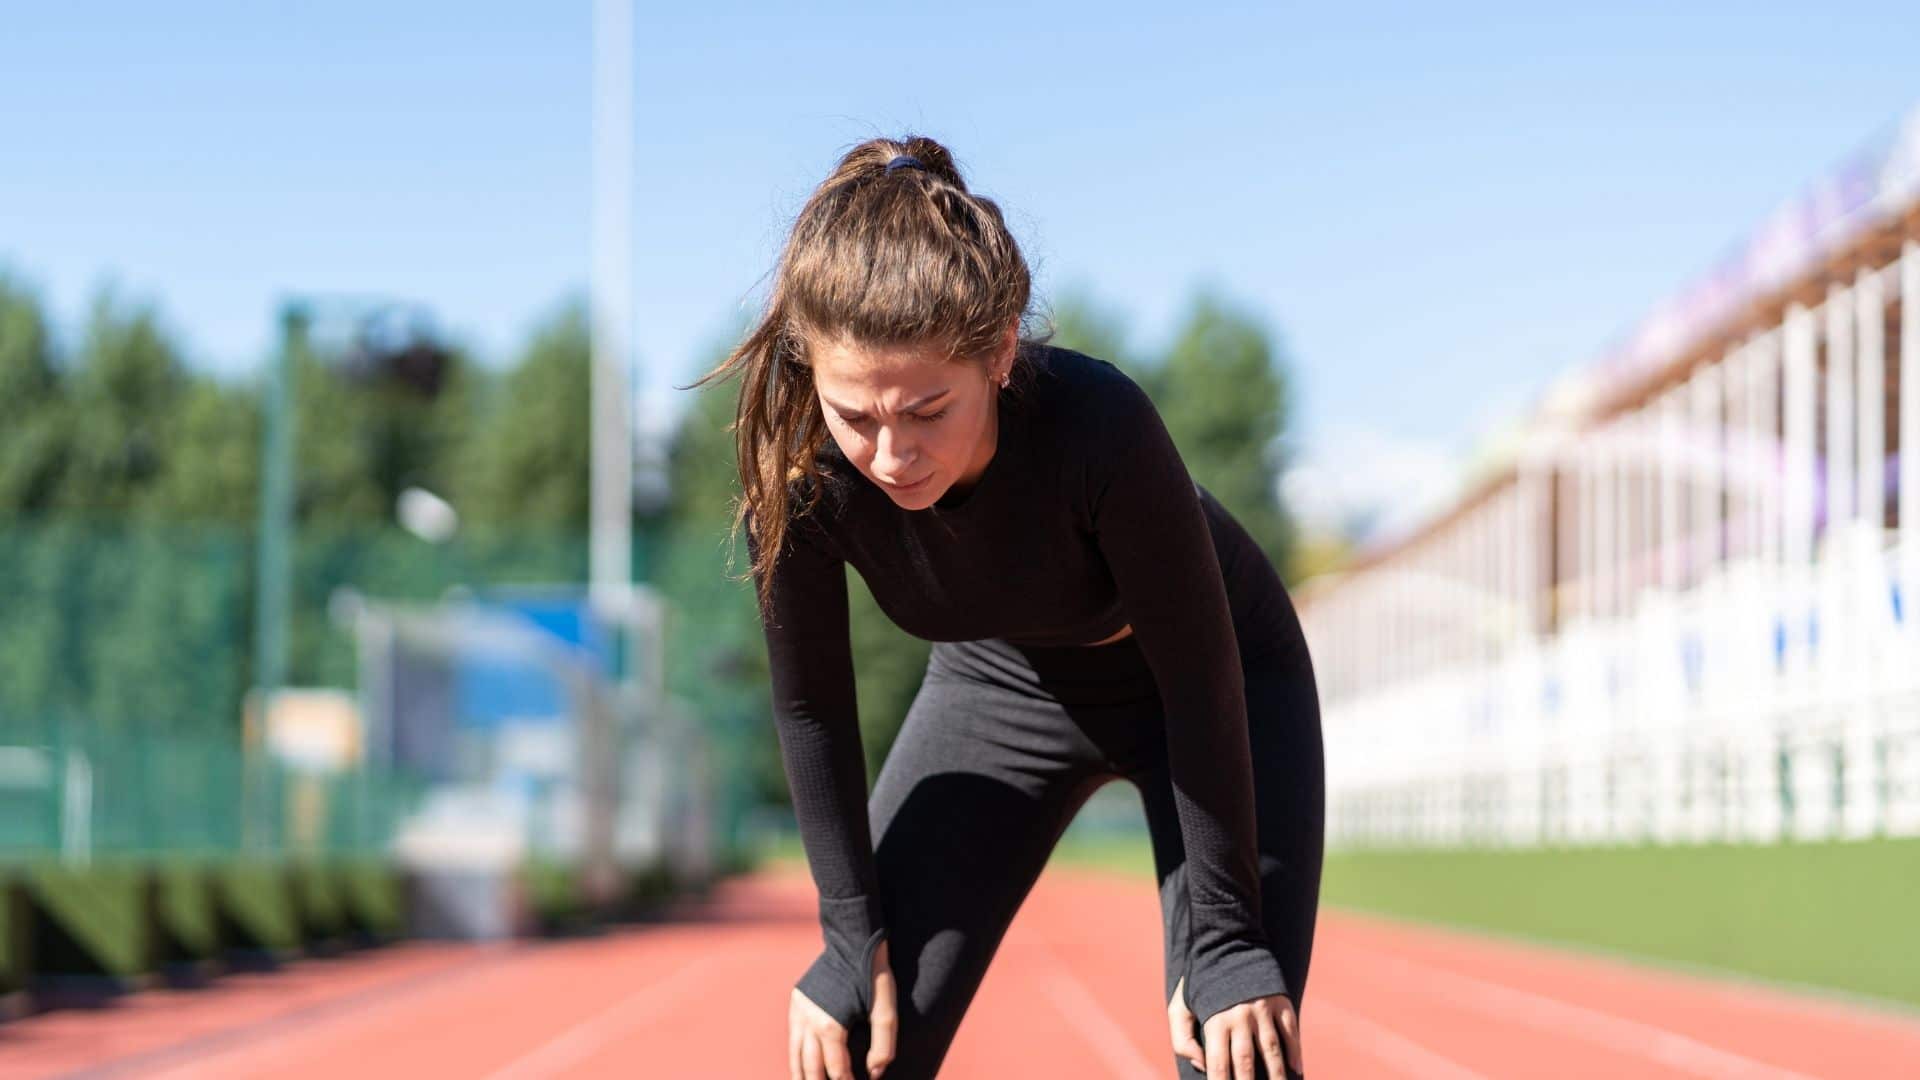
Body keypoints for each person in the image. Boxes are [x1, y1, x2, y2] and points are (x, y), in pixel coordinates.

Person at [691, 135, 1324, 1080]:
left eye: (928, 410)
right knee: (860, 1037)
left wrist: (1227, 942)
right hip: (1000, 680)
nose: (893, 455)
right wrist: (845, 933)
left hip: (1208, 683)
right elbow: (812, 705)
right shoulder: (798, 473)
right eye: (856, 416)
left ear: (999, 348)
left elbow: (1199, 679)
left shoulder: (1100, 427)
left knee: (1235, 1047)